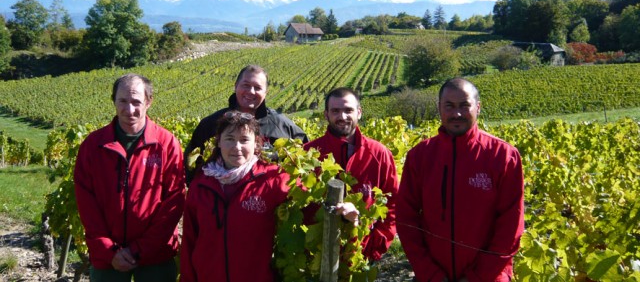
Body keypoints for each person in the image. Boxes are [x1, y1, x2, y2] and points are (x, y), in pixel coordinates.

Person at [396, 78, 525, 282]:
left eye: (464, 106)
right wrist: (431, 274)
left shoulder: (503, 155)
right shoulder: (420, 156)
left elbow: (511, 227)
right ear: (439, 108)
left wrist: (477, 277)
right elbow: (406, 219)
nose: (457, 113)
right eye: (449, 106)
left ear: (478, 107)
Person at [74, 74, 185, 282]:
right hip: (108, 258)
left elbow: (173, 202)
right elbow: (86, 204)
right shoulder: (93, 145)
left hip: (156, 256)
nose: (129, 109)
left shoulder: (167, 144)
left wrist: (139, 249)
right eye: (122, 101)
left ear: (149, 102)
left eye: (136, 102)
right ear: (113, 101)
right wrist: (108, 250)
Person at [180, 110, 290, 282]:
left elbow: (308, 206)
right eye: (230, 139)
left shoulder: (272, 179)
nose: (237, 147)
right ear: (219, 143)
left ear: (256, 144)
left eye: (244, 140)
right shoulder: (201, 184)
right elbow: (189, 240)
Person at [303, 87, 398, 261]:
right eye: (335, 111)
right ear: (326, 115)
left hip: (362, 255)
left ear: (359, 112)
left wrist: (373, 248)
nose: (342, 117)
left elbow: (392, 205)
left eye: (348, 110)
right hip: (315, 258)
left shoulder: (379, 154)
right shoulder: (309, 154)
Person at [184, 64, 308, 183]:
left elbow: (305, 162)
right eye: (246, 85)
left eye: (258, 88)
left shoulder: (283, 127)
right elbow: (191, 169)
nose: (251, 91)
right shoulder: (211, 124)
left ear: (266, 92)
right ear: (235, 86)